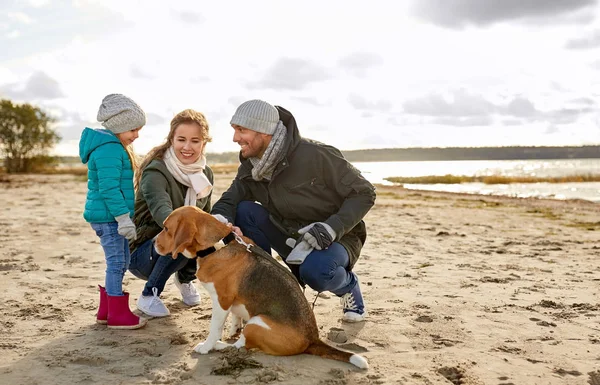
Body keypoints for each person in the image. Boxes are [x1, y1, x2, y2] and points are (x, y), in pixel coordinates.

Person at [211, 99, 376, 322]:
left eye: (241, 130)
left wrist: (332, 227)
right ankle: (265, 290)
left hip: (338, 236)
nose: (235, 138)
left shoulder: (317, 155)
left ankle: (349, 286)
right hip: (288, 233)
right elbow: (230, 198)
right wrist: (218, 221)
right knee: (243, 210)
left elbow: (365, 192)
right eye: (234, 130)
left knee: (317, 273)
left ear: (264, 131)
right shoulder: (252, 166)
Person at [127, 109, 214, 318]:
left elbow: (206, 214)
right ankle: (149, 295)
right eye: (181, 139)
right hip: (142, 253)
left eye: (195, 141)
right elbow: (162, 214)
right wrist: (190, 228)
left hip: (178, 250)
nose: (187, 147)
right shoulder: (156, 171)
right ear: (171, 140)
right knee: (180, 231)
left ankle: (185, 279)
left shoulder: (205, 174)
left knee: (203, 232)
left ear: (204, 143)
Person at [80, 93, 147, 329]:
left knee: (122, 260)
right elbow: (109, 189)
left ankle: (106, 310)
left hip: (111, 218)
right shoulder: (108, 149)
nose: (136, 135)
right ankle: (117, 315)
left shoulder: (112, 147)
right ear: (119, 125)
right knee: (117, 263)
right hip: (110, 219)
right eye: (133, 129)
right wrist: (123, 219)